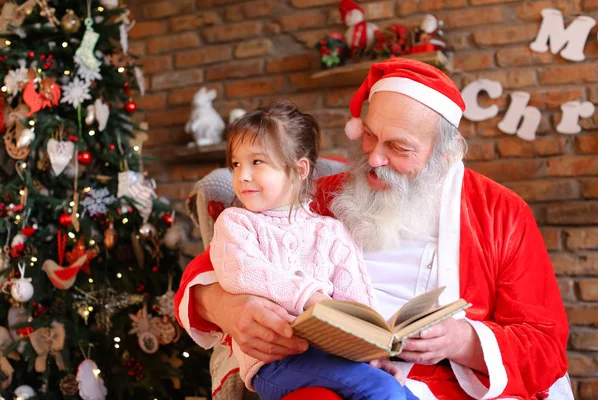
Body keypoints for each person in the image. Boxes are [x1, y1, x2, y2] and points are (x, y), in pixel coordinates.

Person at [175, 58, 572, 400]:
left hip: (444, 384)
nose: (375, 158)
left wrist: (464, 341)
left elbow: (545, 346)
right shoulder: (322, 195)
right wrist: (227, 307)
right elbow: (214, 265)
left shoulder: (500, 213)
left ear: (446, 153)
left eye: (399, 148)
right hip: (325, 366)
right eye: (368, 135)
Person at [208, 100, 419, 400]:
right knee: (381, 391)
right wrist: (310, 297)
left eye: (257, 162)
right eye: (236, 164)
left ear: (299, 169)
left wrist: (374, 353)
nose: (241, 176)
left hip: (335, 357)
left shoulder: (331, 232)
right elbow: (241, 273)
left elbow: (356, 301)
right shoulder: (236, 223)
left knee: (402, 392)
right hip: (276, 363)